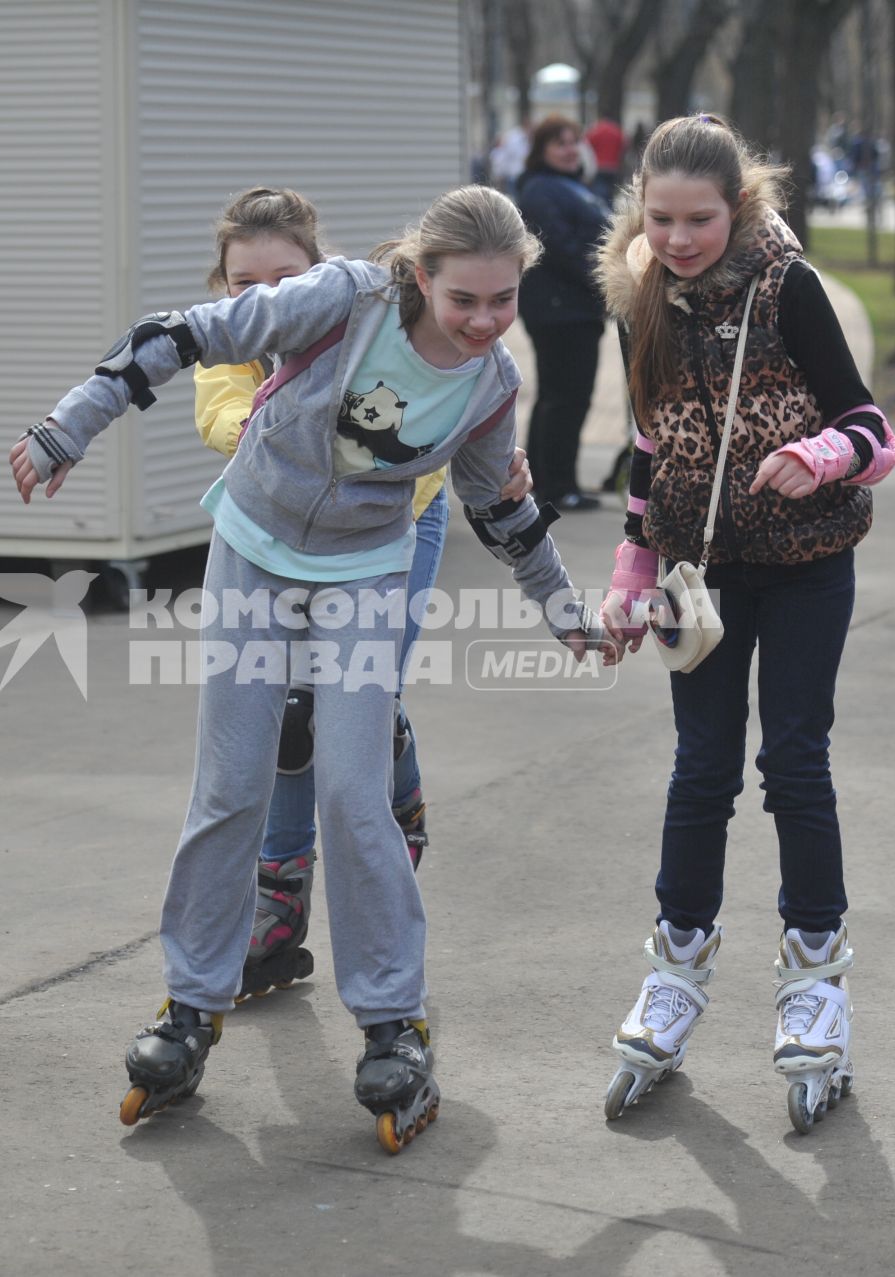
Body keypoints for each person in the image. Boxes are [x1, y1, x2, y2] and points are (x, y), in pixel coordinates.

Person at [12, 184, 608, 1153]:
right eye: (467, 300)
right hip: (252, 543)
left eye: (504, 301)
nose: (486, 321)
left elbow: (499, 506)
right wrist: (68, 425)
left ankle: (392, 1019)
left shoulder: (492, 383)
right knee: (231, 782)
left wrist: (562, 608)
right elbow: (182, 332)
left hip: (365, 567)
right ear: (423, 276)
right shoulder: (344, 299)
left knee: (350, 789)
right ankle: (190, 1003)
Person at [591, 113, 895, 1133]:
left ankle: (815, 973)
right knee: (701, 769)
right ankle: (676, 967)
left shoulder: (789, 287)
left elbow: (872, 427)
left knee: (795, 765)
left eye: (700, 219)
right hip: (702, 573)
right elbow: (649, 446)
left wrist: (818, 457)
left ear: (740, 207)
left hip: (807, 564)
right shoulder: (641, 295)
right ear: (642, 204)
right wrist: (632, 573)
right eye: (662, 217)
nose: (679, 238)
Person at [190, 187, 536, 1000]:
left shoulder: (356, 322)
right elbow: (223, 409)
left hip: (395, 532)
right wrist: (266, 432)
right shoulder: (243, 343)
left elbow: (468, 422)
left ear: (317, 276)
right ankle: (280, 894)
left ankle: (379, 809)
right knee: (282, 716)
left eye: (284, 277)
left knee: (318, 710)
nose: (266, 297)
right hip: (280, 539)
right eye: (245, 283)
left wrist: (511, 483)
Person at [515, 115, 612, 512]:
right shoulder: (541, 189)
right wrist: (611, 280)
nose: (571, 149)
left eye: (574, 141)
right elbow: (563, 249)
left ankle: (549, 479)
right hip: (558, 313)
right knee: (565, 398)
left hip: (577, 311)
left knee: (560, 397)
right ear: (542, 151)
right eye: (560, 143)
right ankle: (557, 486)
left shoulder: (575, 186)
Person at [585, 115, 626, 201]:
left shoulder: (596, 131)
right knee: (610, 192)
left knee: (599, 192)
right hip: (613, 167)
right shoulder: (617, 131)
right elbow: (623, 146)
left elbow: (587, 145)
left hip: (599, 166)